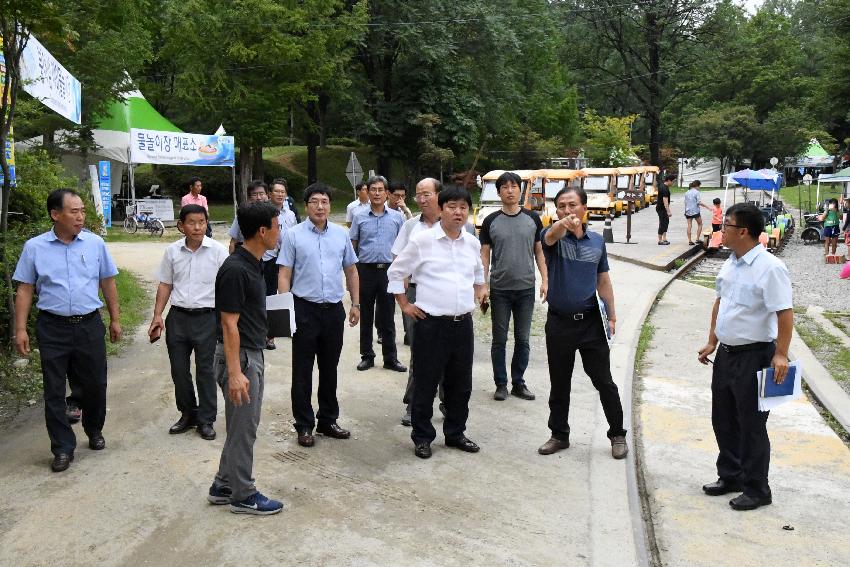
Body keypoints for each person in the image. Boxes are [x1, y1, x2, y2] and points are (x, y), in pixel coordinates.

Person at [13, 189, 122, 472]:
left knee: (95, 383)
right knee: (53, 390)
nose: (80, 216)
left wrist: (115, 319)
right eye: (74, 211)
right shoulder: (34, 248)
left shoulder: (95, 244)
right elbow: (25, 289)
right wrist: (20, 329)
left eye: (83, 211)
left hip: (88, 324)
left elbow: (108, 282)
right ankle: (62, 447)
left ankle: (94, 429)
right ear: (55, 214)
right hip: (52, 327)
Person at [698, 202, 793, 511]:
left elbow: (784, 313)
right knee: (723, 417)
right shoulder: (731, 262)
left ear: (742, 231)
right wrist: (712, 340)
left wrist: (781, 354)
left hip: (755, 356)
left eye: (725, 225)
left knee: (751, 424)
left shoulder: (770, 268)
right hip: (726, 354)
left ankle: (757, 488)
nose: (720, 230)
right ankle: (731, 475)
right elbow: (720, 302)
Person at [388, 186, 486, 459]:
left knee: (461, 383)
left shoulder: (472, 242)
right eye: (452, 206)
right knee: (425, 382)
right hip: (431, 325)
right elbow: (396, 272)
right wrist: (405, 305)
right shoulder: (423, 241)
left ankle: (455, 433)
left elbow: (479, 273)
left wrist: (480, 290)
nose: (458, 212)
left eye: (463, 207)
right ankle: (422, 436)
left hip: (462, 325)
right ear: (441, 209)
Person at [537, 186, 628, 460]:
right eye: (561, 205)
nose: (567, 210)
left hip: (591, 323)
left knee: (604, 381)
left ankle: (617, 434)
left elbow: (603, 280)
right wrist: (561, 225)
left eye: (572, 205)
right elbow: (551, 236)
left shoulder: (597, 242)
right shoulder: (551, 237)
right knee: (559, 381)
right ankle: (559, 435)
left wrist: (611, 315)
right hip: (559, 324)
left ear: (584, 208)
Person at [207, 200, 284, 515]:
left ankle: (223, 484)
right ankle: (243, 493)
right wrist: (236, 372)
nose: (280, 233)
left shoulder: (254, 262)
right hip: (241, 359)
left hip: (252, 351)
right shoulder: (236, 268)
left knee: (242, 424)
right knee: (244, 427)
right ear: (262, 231)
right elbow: (228, 323)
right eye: (277, 227)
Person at [278, 183, 361, 448]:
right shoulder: (293, 235)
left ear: (330, 205)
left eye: (325, 201)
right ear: (306, 205)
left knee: (329, 369)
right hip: (304, 309)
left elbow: (351, 271)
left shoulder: (340, 234)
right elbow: (284, 274)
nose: (320, 206)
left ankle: (328, 419)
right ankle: (304, 424)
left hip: (333, 311)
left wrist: (355, 303)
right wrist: (284, 310)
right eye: (314, 201)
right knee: (302, 370)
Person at [148, 204, 229, 440]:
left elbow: (227, 286)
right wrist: (157, 316)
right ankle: (187, 413)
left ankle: (206, 419)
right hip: (178, 317)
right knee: (179, 370)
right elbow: (165, 284)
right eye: (191, 223)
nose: (197, 227)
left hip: (207, 317)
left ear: (207, 223)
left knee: (205, 370)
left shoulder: (217, 251)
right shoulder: (172, 252)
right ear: (181, 226)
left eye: (201, 222)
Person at [480, 171, 547, 402]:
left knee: (523, 338)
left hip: (526, 289)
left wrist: (545, 280)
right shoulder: (490, 221)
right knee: (499, 339)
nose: (510, 190)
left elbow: (539, 251)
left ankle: (518, 382)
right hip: (499, 290)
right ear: (498, 192)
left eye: (514, 186)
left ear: (521, 190)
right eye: (505, 187)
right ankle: (501, 383)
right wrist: (483, 286)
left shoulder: (533, 218)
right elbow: (485, 256)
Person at [350, 175, 406, 373]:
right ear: (367, 191)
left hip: (388, 271)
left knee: (387, 316)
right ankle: (367, 355)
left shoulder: (397, 218)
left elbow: (402, 247)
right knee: (366, 315)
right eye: (372, 189)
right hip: (365, 270)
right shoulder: (359, 216)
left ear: (387, 193)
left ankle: (390, 358)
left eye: (380, 189)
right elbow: (353, 246)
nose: (376, 193)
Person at [262, 179, 298, 350]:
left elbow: (295, 236)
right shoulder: (263, 212)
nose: (280, 194)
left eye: (283, 192)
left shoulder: (290, 215)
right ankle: (268, 335)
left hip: (287, 260)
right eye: (277, 191)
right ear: (270, 194)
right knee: (269, 296)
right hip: (268, 259)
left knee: (287, 294)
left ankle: (289, 327)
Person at [229, 180, 268, 253]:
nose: (259, 197)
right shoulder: (242, 215)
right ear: (249, 197)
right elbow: (233, 241)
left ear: (267, 195)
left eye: (261, 193)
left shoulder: (273, 216)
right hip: (246, 255)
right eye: (255, 194)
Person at [684, 180, 711, 245]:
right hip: (695, 211)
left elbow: (685, 202)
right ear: (697, 186)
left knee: (689, 225)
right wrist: (707, 207)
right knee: (700, 224)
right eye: (699, 186)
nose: (699, 187)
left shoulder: (687, 192)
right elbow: (699, 202)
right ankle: (697, 239)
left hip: (688, 211)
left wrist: (685, 211)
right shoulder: (697, 192)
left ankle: (690, 241)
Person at [656, 174, 674, 245]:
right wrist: (668, 211)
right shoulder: (664, 188)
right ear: (669, 180)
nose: (673, 183)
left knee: (666, 222)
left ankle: (664, 238)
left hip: (662, 208)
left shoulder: (663, 186)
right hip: (661, 208)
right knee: (663, 223)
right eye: (673, 181)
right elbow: (665, 201)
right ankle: (660, 240)